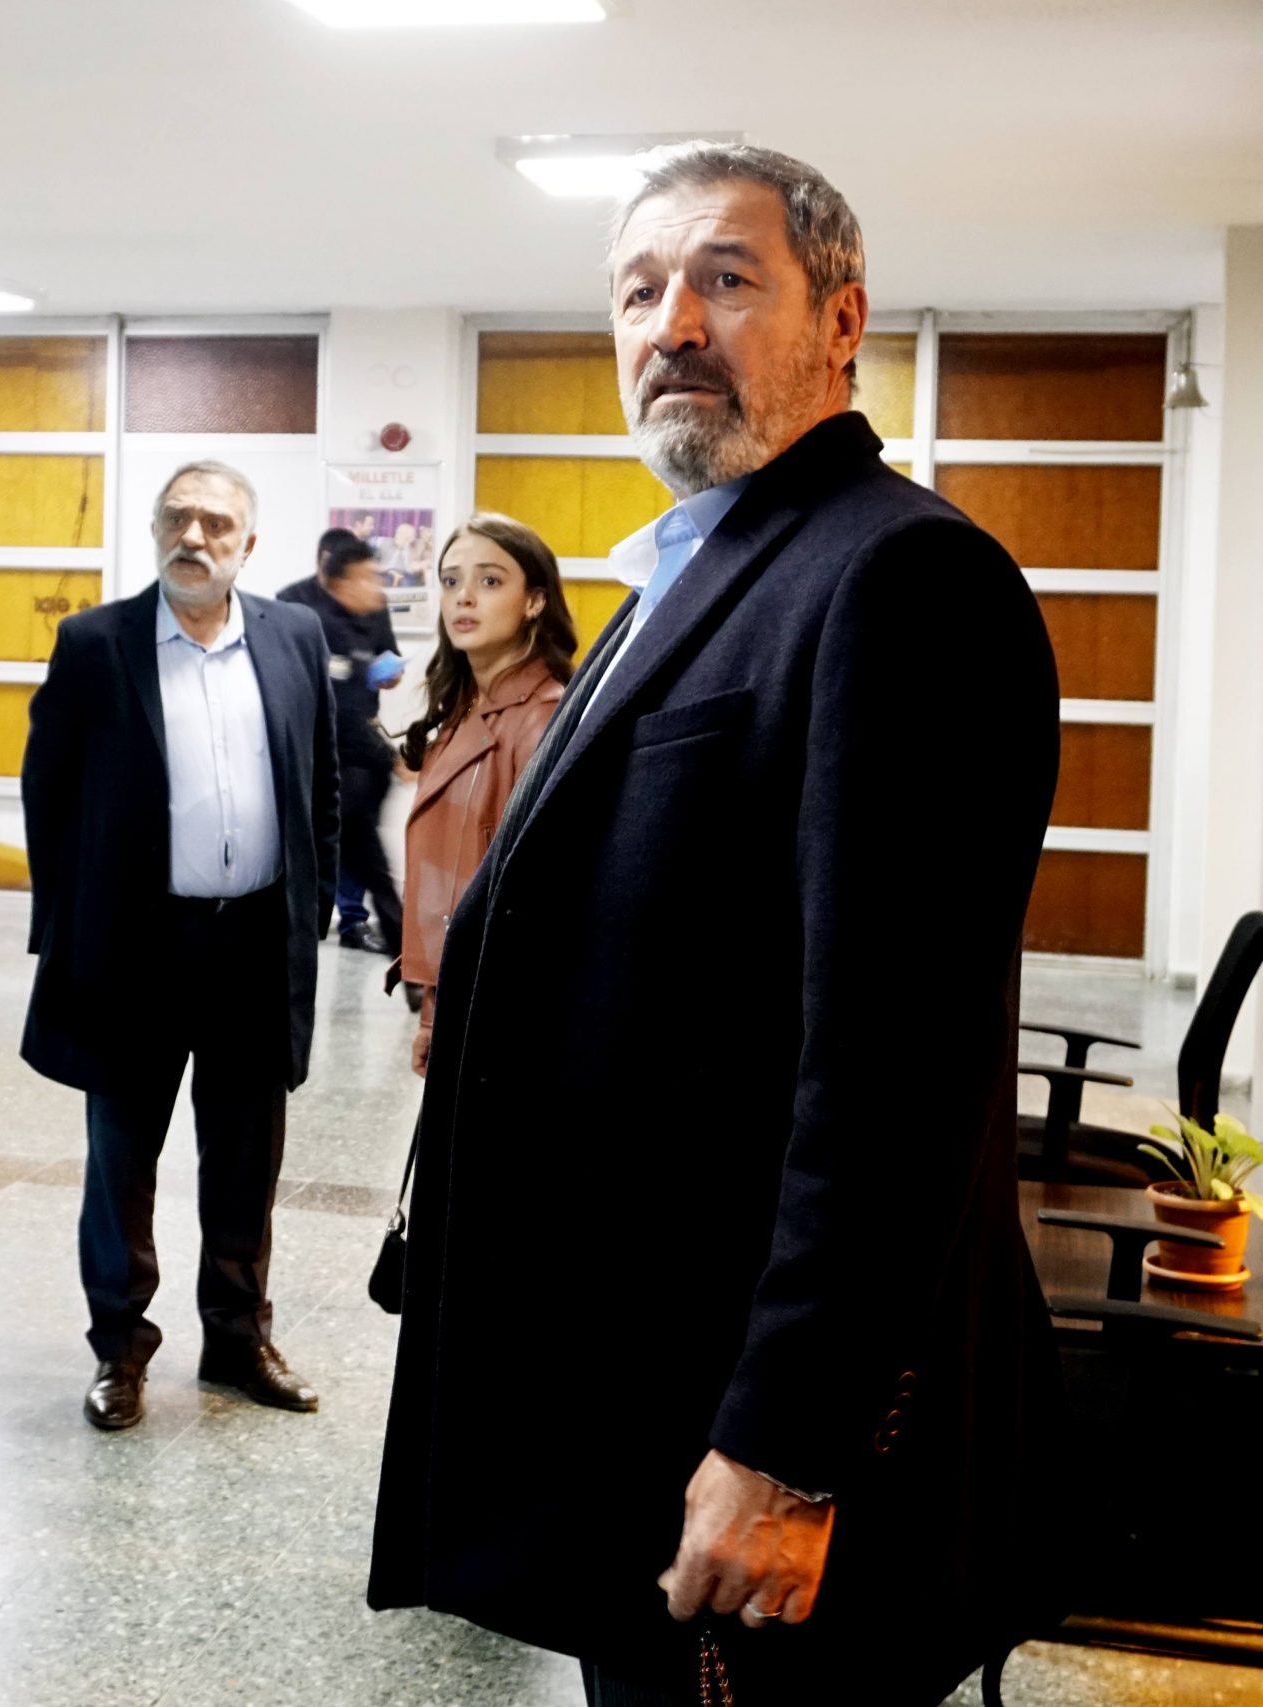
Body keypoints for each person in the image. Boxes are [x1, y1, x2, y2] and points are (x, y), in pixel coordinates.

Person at [366, 144, 1067, 1706]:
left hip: (756, 1432)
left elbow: (897, 1069)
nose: (671, 322)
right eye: (638, 290)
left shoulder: (899, 577)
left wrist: (790, 1445)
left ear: (843, 322)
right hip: (640, 1392)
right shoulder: (682, 579)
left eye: (725, 279)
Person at [23, 460, 339, 1434]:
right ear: (155, 529)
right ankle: (119, 1350)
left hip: (254, 944)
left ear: (249, 543)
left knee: (245, 1160)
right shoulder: (95, 643)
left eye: (215, 523)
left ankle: (238, 1340)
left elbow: (321, 785)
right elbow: (47, 793)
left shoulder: (294, 636)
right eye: (177, 519)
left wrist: (313, 912)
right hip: (136, 948)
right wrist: (64, 930)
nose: (193, 537)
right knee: (121, 1161)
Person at [392, 512, 575, 1070]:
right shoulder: (464, 709)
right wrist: (432, 1011)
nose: (463, 597)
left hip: (506, 1005)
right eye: (451, 581)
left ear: (535, 601)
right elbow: (451, 876)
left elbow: (542, 896)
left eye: (490, 580)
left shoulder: (542, 718)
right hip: (462, 992)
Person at [280, 532, 406, 956]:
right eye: (366, 577)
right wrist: (391, 756)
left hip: (359, 759)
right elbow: (339, 712)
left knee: (361, 862)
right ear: (335, 579)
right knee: (362, 864)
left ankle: (359, 928)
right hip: (330, 763)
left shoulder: (367, 612)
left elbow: (377, 668)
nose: (376, 587)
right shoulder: (306, 615)